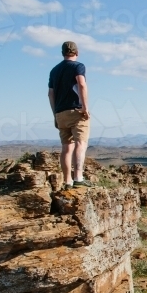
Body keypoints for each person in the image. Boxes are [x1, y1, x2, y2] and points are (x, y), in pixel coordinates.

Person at [48, 41, 92, 189]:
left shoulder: (54, 70)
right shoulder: (78, 66)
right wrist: (85, 107)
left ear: (62, 53)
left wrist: (55, 114)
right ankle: (78, 177)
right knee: (81, 143)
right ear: (77, 52)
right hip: (76, 110)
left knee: (66, 147)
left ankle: (67, 181)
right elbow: (81, 84)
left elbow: (50, 94)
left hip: (60, 112)